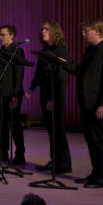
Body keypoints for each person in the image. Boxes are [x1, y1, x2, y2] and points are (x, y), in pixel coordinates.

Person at [64, 20, 103, 188]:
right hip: (87, 103)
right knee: (92, 140)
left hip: (98, 104)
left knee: (100, 140)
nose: (83, 34)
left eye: (86, 31)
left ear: (96, 31)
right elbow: (81, 72)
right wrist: (64, 64)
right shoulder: (90, 51)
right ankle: (96, 173)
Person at [26, 21, 71, 174]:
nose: (42, 31)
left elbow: (61, 78)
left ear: (54, 32)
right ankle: (55, 160)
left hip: (55, 95)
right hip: (45, 94)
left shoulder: (61, 51)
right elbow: (39, 73)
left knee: (57, 128)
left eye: (46, 29)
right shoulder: (45, 51)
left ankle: (65, 162)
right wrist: (31, 88)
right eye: (42, 28)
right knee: (50, 129)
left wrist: (53, 99)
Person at [0, 25, 26, 165]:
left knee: (14, 124)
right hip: (0, 93)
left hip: (11, 94)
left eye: (3, 35)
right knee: (2, 124)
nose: (0, 37)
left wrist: (15, 95)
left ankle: (20, 154)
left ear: (12, 35)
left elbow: (19, 74)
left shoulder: (17, 51)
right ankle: (3, 152)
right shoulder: (1, 51)